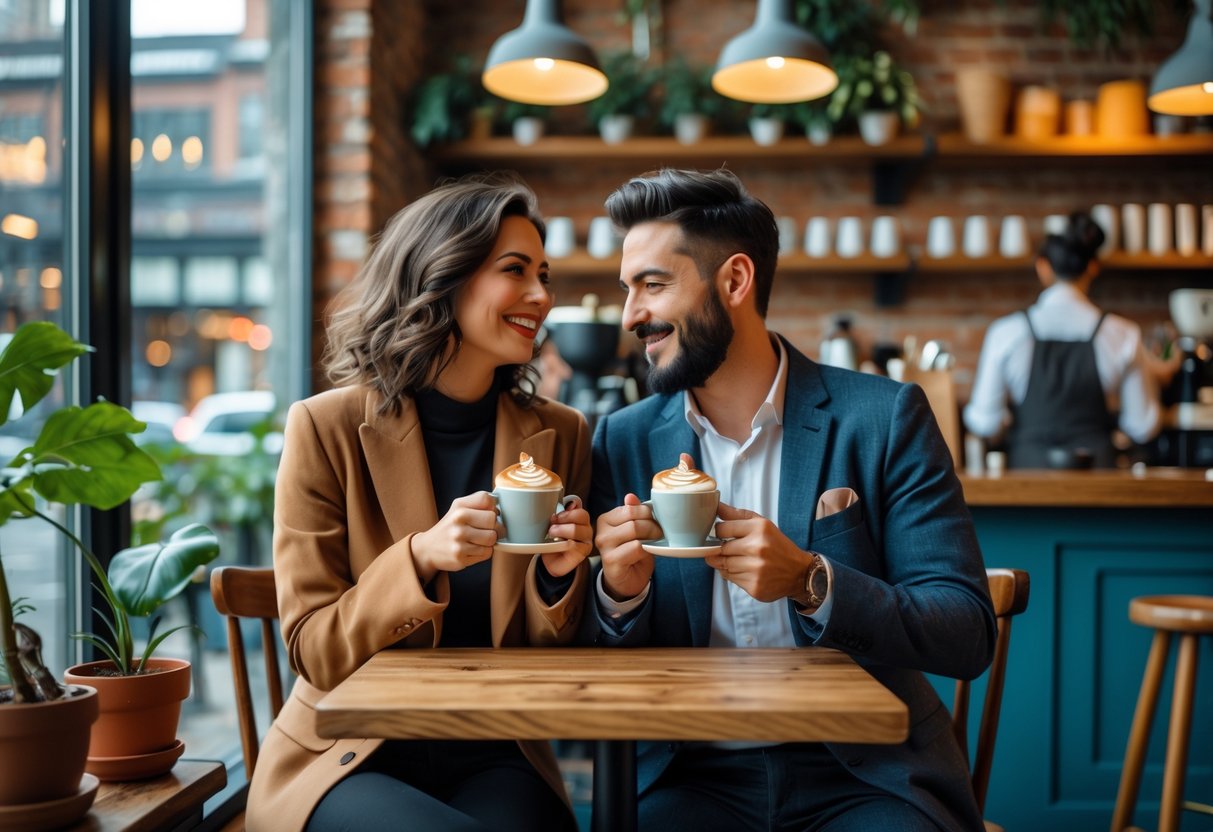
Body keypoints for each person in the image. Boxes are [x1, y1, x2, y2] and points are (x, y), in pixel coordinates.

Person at [587, 168, 996, 832]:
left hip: (865, 774)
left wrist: (810, 580)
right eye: (627, 290)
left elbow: (965, 631)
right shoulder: (621, 441)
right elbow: (591, 653)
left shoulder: (884, 417)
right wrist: (619, 595)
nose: (631, 315)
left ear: (735, 281)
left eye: (653, 285)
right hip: (688, 776)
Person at [247, 173, 593, 832]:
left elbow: (558, 651)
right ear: (443, 274)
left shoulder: (562, 433)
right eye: (514, 270)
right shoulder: (325, 428)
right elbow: (313, 648)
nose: (541, 296)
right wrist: (419, 557)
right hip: (347, 755)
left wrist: (560, 579)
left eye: (544, 275)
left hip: (498, 750)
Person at [964, 210, 1161, 468]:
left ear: (1043, 267)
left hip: (1026, 484)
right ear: (1093, 267)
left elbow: (984, 421)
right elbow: (1142, 426)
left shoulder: (1006, 332)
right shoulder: (1123, 334)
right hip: (1100, 487)